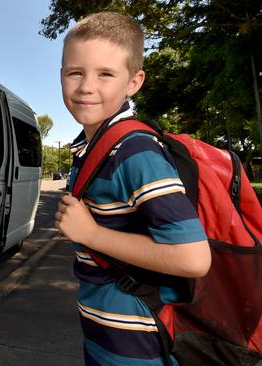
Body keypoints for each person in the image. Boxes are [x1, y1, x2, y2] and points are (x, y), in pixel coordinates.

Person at [54, 12, 211, 365]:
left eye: (105, 74)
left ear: (134, 82)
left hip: (136, 345)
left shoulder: (134, 151)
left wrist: (90, 234)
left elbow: (193, 258)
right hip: (106, 333)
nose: (86, 87)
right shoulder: (96, 146)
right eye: (74, 72)